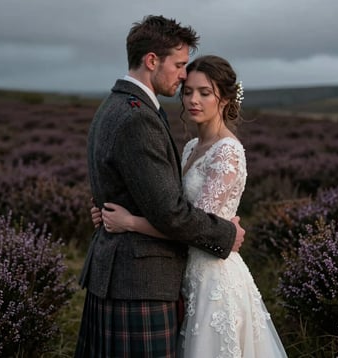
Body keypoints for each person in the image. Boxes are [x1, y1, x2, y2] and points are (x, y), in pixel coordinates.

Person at [93, 55, 288, 357]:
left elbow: (194, 228)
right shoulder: (189, 149)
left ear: (224, 98)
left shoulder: (228, 153)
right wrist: (109, 212)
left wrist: (129, 223)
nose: (193, 100)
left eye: (204, 93)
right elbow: (168, 207)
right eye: (187, 92)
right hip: (184, 276)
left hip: (214, 278)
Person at [75, 16, 245, 358]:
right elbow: (170, 212)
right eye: (180, 65)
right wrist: (226, 234)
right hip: (139, 281)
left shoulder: (114, 104)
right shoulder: (137, 116)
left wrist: (110, 211)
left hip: (130, 275)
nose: (183, 76)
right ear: (152, 61)